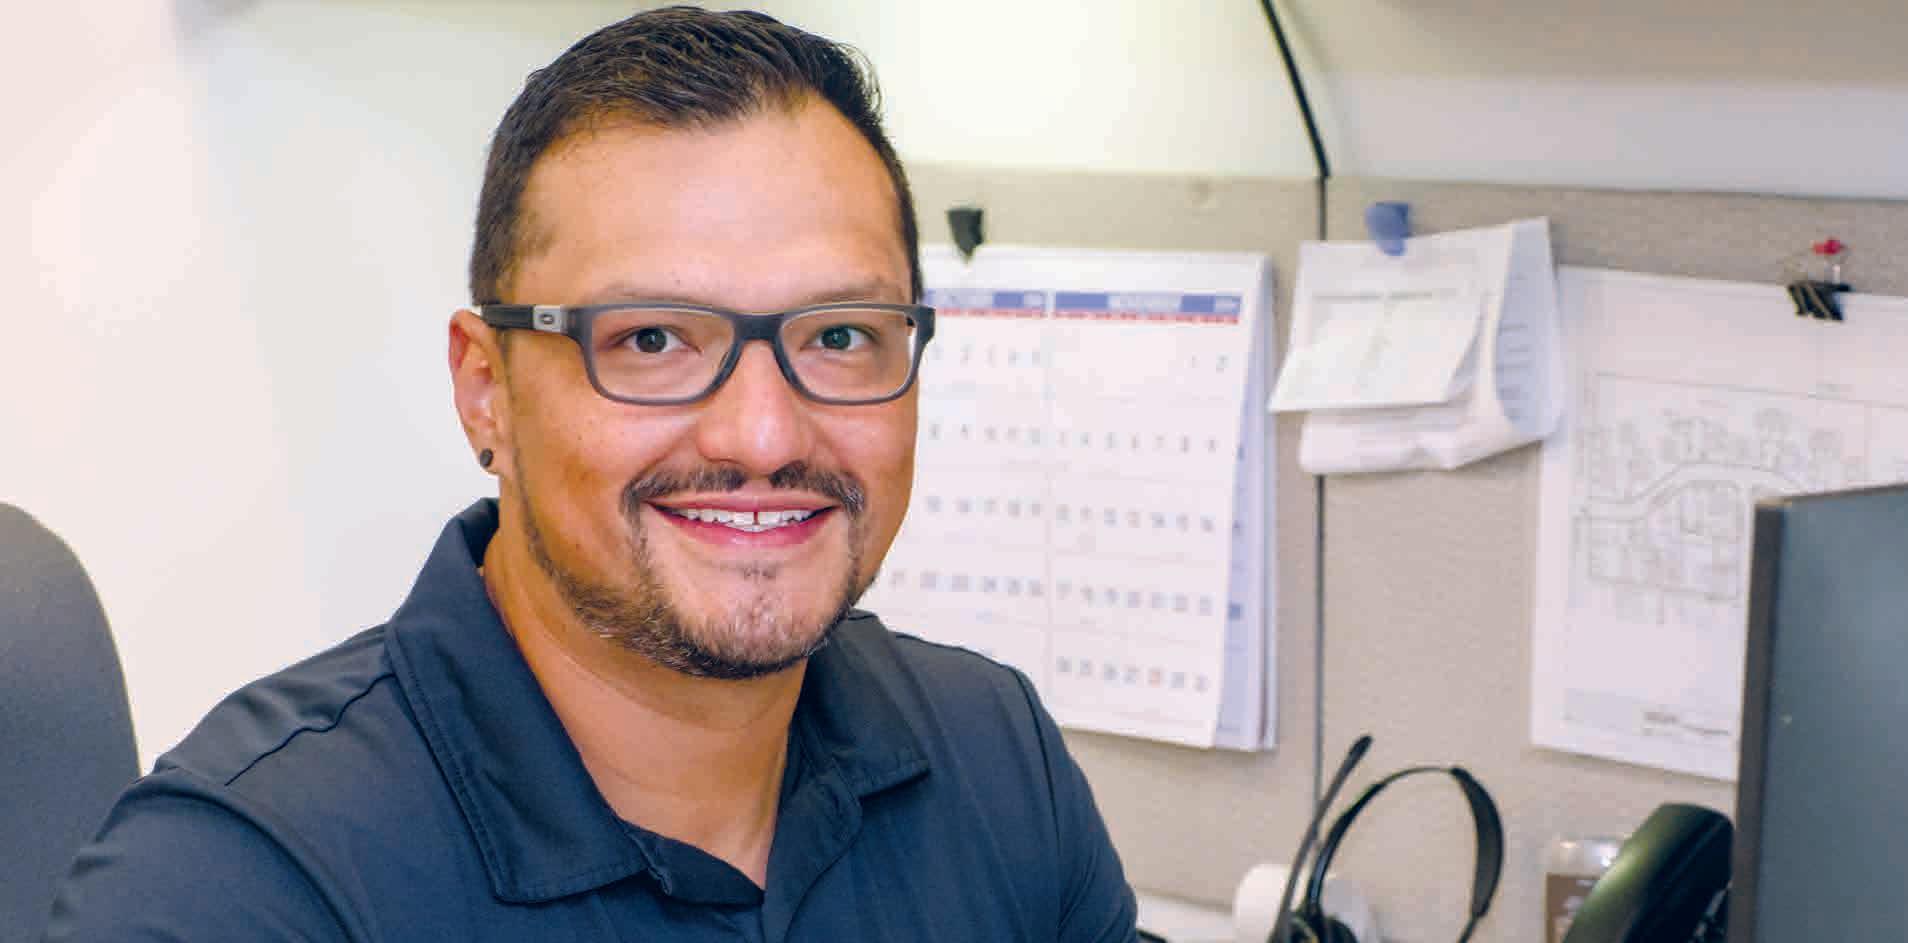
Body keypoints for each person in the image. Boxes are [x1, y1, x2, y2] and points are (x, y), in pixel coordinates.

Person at [44, 7, 1135, 940]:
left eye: (840, 336)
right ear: (487, 389)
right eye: (652, 340)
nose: (763, 435)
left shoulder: (995, 760)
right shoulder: (236, 887)